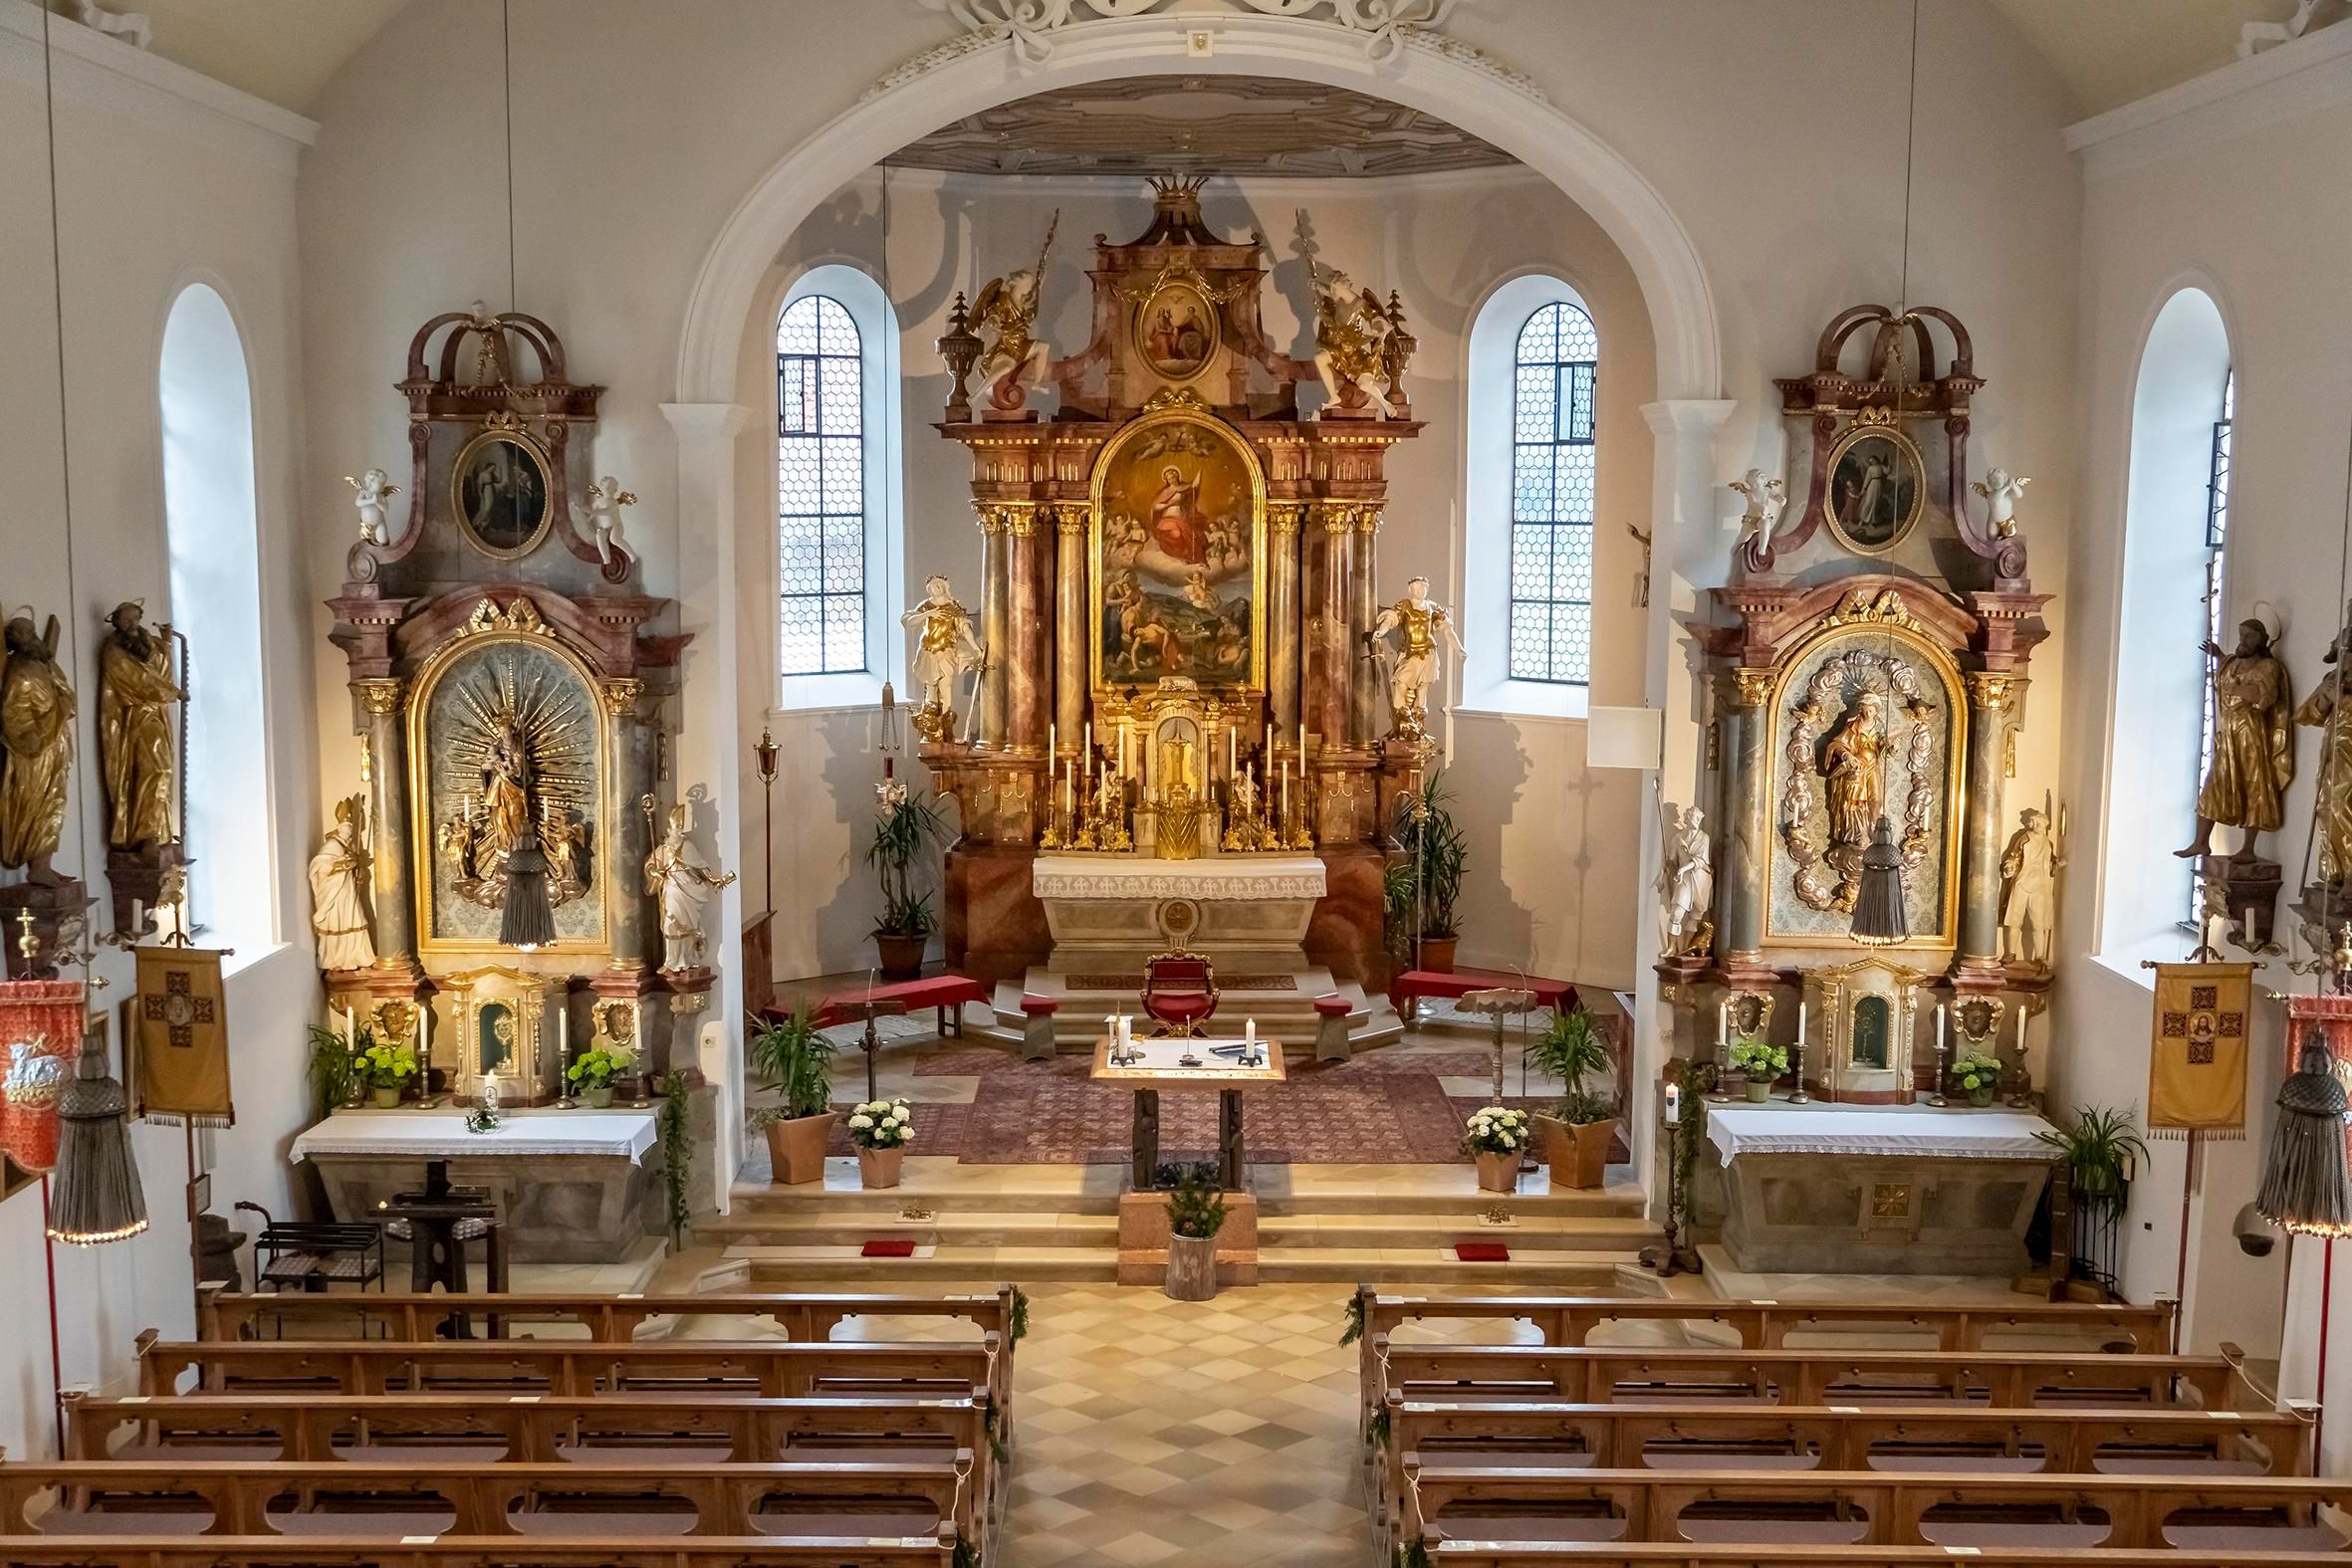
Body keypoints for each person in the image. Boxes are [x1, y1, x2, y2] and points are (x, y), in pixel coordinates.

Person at [2177, 617, 2293, 857]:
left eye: (2249, 636)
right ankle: (2201, 841)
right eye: (2241, 635)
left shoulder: (2267, 667)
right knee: (2214, 784)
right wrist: (2219, 656)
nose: (2243, 640)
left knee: (2254, 783)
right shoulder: (2233, 664)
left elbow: (2264, 695)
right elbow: (2227, 669)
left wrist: (2236, 689)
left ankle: (2248, 848)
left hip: (2250, 730)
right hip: (2228, 732)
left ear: (2261, 640)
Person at [97, 601, 182, 851]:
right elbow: (139, 681)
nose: (133, 625)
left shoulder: (146, 643)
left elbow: (159, 672)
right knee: (152, 769)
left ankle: (157, 830)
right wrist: (173, 692)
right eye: (127, 621)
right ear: (116, 623)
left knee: (162, 769)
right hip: (135, 718)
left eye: (136, 619)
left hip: (155, 714)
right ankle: (145, 835)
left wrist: (165, 644)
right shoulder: (114, 651)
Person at [309, 797, 375, 972]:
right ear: (339, 828)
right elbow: (319, 866)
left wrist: (357, 869)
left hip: (347, 890)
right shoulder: (332, 845)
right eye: (346, 827)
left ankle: (357, 954)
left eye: (351, 827)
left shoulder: (349, 845)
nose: (349, 830)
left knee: (355, 918)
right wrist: (344, 864)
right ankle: (335, 958)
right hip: (335, 892)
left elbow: (351, 865)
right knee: (338, 922)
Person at [1821, 693, 1886, 850]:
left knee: (1876, 800)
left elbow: (1882, 751)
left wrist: (1891, 747)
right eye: (1864, 710)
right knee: (1855, 802)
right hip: (1857, 769)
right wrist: (1847, 755)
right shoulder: (1853, 726)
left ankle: (1874, 833)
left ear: (1876, 710)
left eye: (1871, 710)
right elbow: (1836, 744)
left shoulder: (1881, 726)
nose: (1867, 713)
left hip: (1873, 768)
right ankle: (1858, 833)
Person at [1149, 465, 1208, 564]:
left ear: (1177, 476)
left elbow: (1195, 485)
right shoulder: (1165, 492)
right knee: (1176, 534)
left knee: (1191, 536)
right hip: (1168, 517)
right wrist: (1169, 504)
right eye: (1169, 478)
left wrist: (1200, 470)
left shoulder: (1183, 488)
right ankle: (1179, 557)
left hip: (1182, 516)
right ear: (1167, 480)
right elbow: (1155, 506)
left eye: (1173, 477)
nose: (1171, 479)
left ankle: (1193, 559)